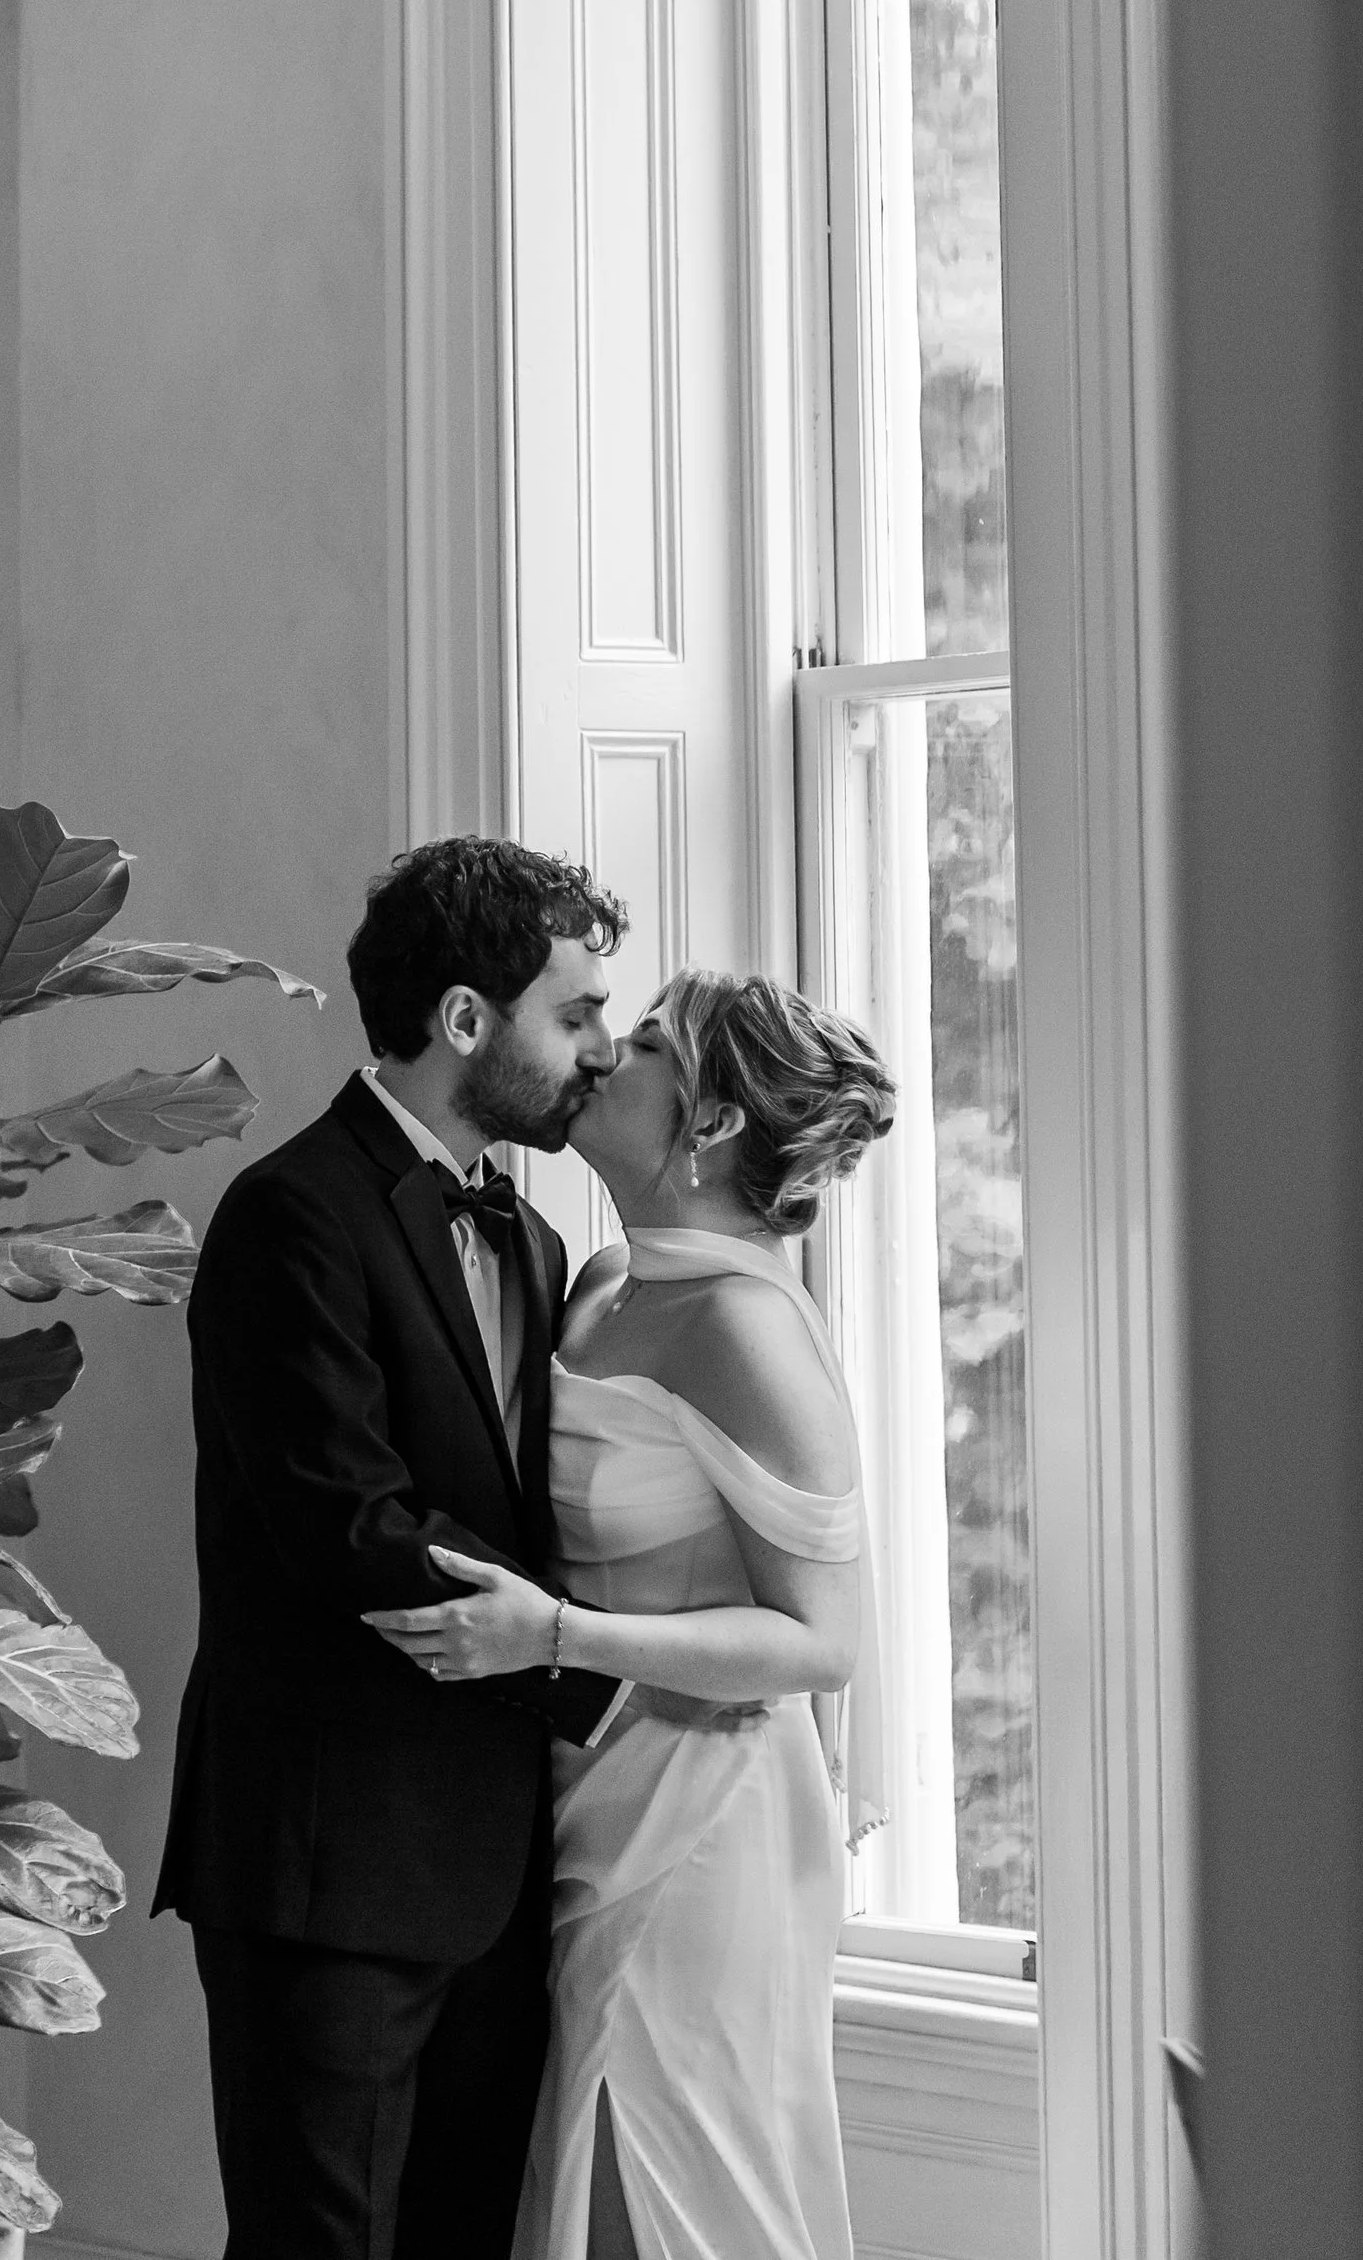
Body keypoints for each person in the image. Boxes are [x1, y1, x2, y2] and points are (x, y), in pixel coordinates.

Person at [367, 964, 897, 2260]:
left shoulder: (747, 1329)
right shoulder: (598, 1278)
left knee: (666, 2183)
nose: (607, 1047)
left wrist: (556, 1636)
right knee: (577, 2173)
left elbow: (823, 1643)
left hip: (708, 1827)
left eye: (649, 1038)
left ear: (709, 1120)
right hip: (581, 1794)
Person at [153, 835, 626, 2260]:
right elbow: (343, 1525)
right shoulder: (290, 1215)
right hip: (328, 1860)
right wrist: (599, 1676)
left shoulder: (536, 1245)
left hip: (495, 1868)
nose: (601, 1047)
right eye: (577, 1012)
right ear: (466, 1019)